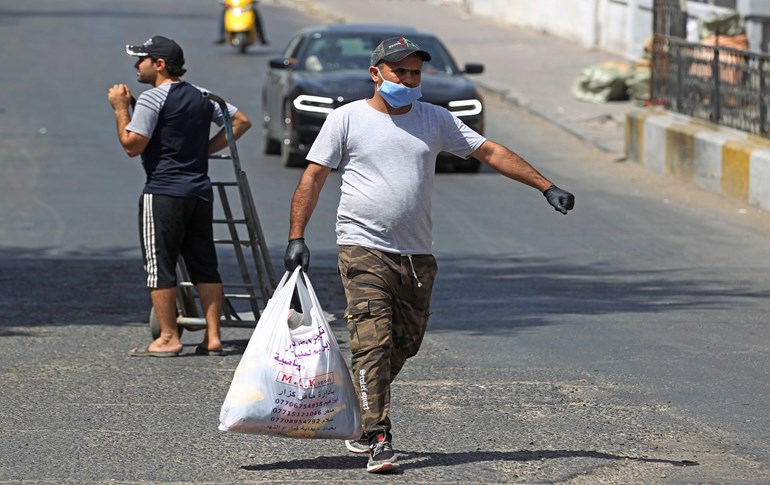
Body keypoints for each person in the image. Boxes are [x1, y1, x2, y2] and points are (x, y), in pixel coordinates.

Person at [283, 36, 575, 473]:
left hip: (416, 255)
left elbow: (489, 151)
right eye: (400, 71)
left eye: (415, 72)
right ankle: (379, 437)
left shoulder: (435, 119)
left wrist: (546, 186)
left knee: (405, 343)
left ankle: (361, 413)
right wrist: (297, 236)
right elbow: (314, 177)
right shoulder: (346, 119)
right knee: (373, 342)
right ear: (376, 74)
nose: (409, 79)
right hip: (362, 246)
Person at [107, 35, 252, 357]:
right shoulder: (204, 96)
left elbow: (132, 145)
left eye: (141, 60)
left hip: (163, 192)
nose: (136, 65)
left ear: (159, 65)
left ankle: (169, 337)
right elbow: (240, 122)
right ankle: (213, 336)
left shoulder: (151, 99)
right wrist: (203, 149)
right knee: (205, 263)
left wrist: (120, 109)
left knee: (160, 266)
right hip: (199, 191)